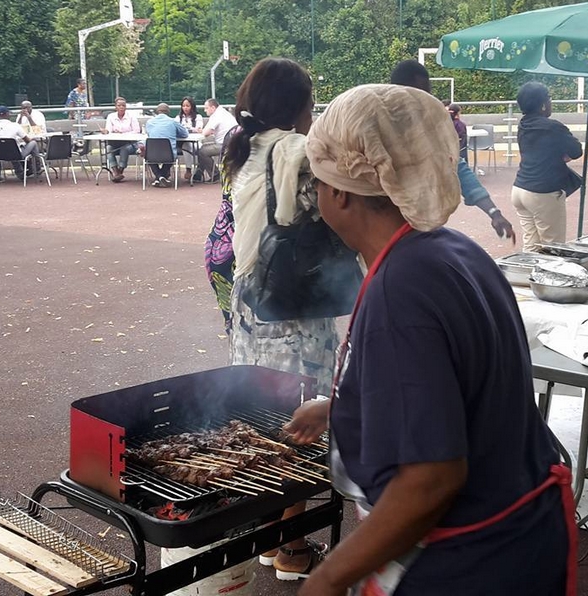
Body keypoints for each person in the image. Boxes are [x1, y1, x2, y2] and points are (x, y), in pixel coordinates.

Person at [287, 83, 574, 596]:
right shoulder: (452, 250)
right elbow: (457, 386)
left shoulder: (402, 290)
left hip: (470, 565)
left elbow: (431, 480)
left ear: (341, 192)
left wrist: (328, 579)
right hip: (522, 539)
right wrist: (342, 406)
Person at [221, 57, 337, 581]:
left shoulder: (244, 147)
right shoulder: (297, 151)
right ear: (298, 104)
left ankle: (270, 536)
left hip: (251, 306)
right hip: (293, 308)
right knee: (301, 422)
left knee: (267, 416)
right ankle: (290, 547)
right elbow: (331, 211)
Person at [389, 60, 515, 243]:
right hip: (385, 225)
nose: (424, 100)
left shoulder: (429, 125)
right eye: (417, 94)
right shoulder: (377, 123)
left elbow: (456, 167)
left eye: (427, 94)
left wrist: (494, 212)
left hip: (422, 223)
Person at [511, 82, 583, 249]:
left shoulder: (523, 125)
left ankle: (526, 275)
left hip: (520, 189)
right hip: (543, 192)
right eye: (549, 98)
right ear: (543, 104)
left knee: (531, 244)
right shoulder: (553, 127)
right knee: (553, 247)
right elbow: (576, 151)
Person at [0, 105, 41, 179]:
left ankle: (21, 173)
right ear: (7, 114)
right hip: (16, 154)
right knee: (33, 143)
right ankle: (36, 168)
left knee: (11, 148)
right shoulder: (14, 125)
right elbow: (27, 140)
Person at [140, 103, 188, 188]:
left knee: (149, 157)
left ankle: (159, 177)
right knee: (171, 155)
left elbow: (149, 133)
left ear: (157, 112)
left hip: (152, 154)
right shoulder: (173, 122)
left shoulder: (149, 122)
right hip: (169, 154)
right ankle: (162, 176)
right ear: (168, 112)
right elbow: (185, 134)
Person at [195, 98, 237, 182]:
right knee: (203, 148)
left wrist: (201, 131)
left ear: (213, 108)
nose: (204, 110)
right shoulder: (224, 113)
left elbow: (206, 133)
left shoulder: (216, 116)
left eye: (206, 108)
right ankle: (198, 174)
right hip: (233, 142)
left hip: (225, 145)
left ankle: (215, 174)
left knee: (202, 151)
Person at [104, 96, 141, 183]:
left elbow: (137, 131)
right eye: (119, 105)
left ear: (126, 107)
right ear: (115, 107)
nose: (121, 107)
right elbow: (108, 130)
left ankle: (121, 170)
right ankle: (115, 171)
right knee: (108, 149)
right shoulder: (111, 117)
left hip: (130, 143)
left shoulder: (132, 116)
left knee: (124, 148)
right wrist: (106, 131)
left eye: (123, 105)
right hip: (115, 143)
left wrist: (124, 134)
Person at [176, 96, 203, 181]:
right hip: (181, 143)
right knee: (186, 146)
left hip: (196, 142)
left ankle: (197, 170)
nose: (185, 108)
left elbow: (199, 129)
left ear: (192, 106)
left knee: (191, 147)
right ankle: (188, 169)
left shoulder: (198, 117)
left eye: (187, 106)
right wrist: (192, 129)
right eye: (183, 106)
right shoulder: (178, 118)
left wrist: (187, 129)